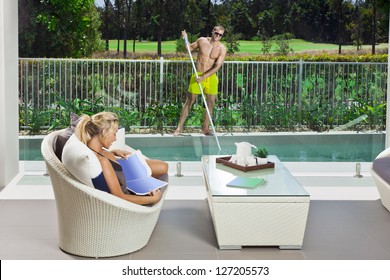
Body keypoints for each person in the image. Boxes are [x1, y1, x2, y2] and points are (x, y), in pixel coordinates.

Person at [75, 112, 168, 205]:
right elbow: (119, 197)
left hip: (122, 172)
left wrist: (112, 152)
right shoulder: (102, 161)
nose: (115, 139)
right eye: (114, 134)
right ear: (103, 131)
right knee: (163, 168)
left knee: (163, 166)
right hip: (129, 185)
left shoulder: (93, 150)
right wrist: (154, 199)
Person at [173, 25, 227, 136]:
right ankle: (179, 127)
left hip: (210, 77)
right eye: (216, 33)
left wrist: (204, 77)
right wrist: (185, 39)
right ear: (212, 31)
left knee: (210, 103)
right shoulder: (202, 40)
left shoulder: (222, 48)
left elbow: (217, 66)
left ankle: (205, 128)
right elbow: (189, 48)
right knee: (189, 101)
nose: (217, 36)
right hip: (198, 75)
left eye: (220, 35)